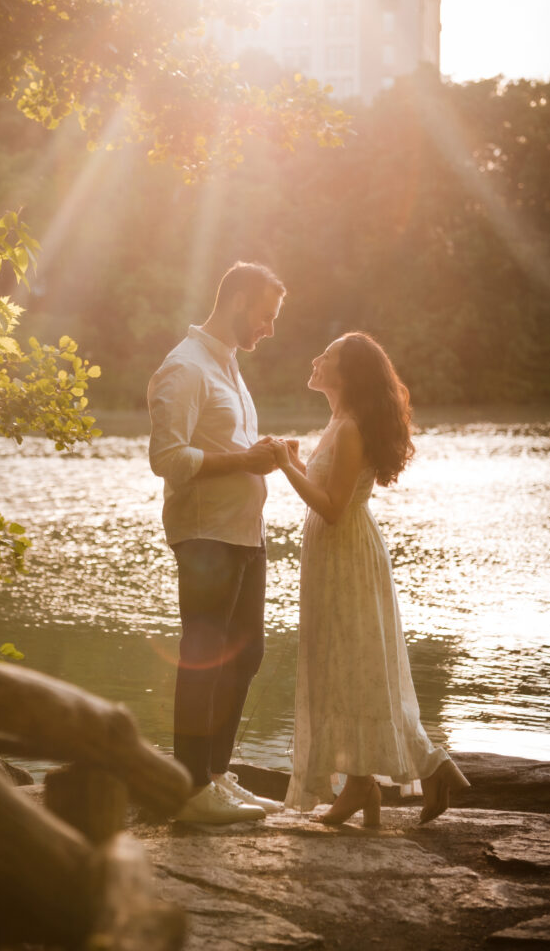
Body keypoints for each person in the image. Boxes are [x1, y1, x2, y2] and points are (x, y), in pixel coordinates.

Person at [268, 332, 470, 826]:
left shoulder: (351, 427)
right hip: (334, 557)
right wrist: (296, 463)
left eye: (328, 356)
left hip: (348, 556)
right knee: (341, 669)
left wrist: (281, 468)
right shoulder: (337, 420)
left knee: (362, 670)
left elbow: (335, 509)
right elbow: (328, 489)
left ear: (348, 374)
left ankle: (433, 768)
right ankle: (360, 786)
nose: (316, 358)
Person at [148, 261, 287, 824]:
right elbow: (167, 459)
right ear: (237, 301)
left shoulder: (227, 366)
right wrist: (244, 460)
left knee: (246, 654)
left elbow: (231, 443)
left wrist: (265, 451)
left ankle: (215, 777)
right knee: (204, 657)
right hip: (205, 535)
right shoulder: (183, 368)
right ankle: (188, 790)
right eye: (265, 315)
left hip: (243, 532)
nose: (269, 328)